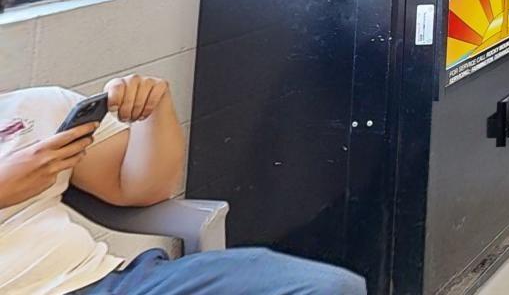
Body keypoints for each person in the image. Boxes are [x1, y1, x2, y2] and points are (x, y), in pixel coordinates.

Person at [0, 74, 365, 295]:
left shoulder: (35, 107)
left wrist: (152, 111)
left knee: (326, 287)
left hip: (110, 283)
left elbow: (139, 189)